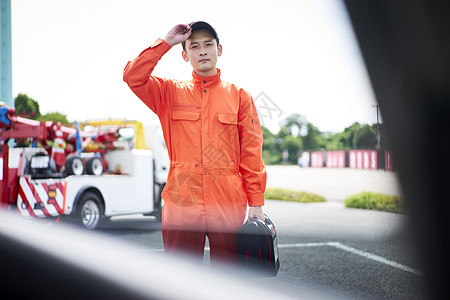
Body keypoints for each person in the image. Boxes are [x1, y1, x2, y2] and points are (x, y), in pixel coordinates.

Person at [123, 22, 267, 264]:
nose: (202, 51)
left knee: (229, 276)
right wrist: (166, 42)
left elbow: (251, 154)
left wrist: (256, 203)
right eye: (194, 46)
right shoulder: (168, 93)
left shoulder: (240, 97)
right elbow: (132, 77)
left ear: (219, 50)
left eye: (208, 44)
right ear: (184, 54)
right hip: (182, 202)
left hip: (227, 203)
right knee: (181, 278)